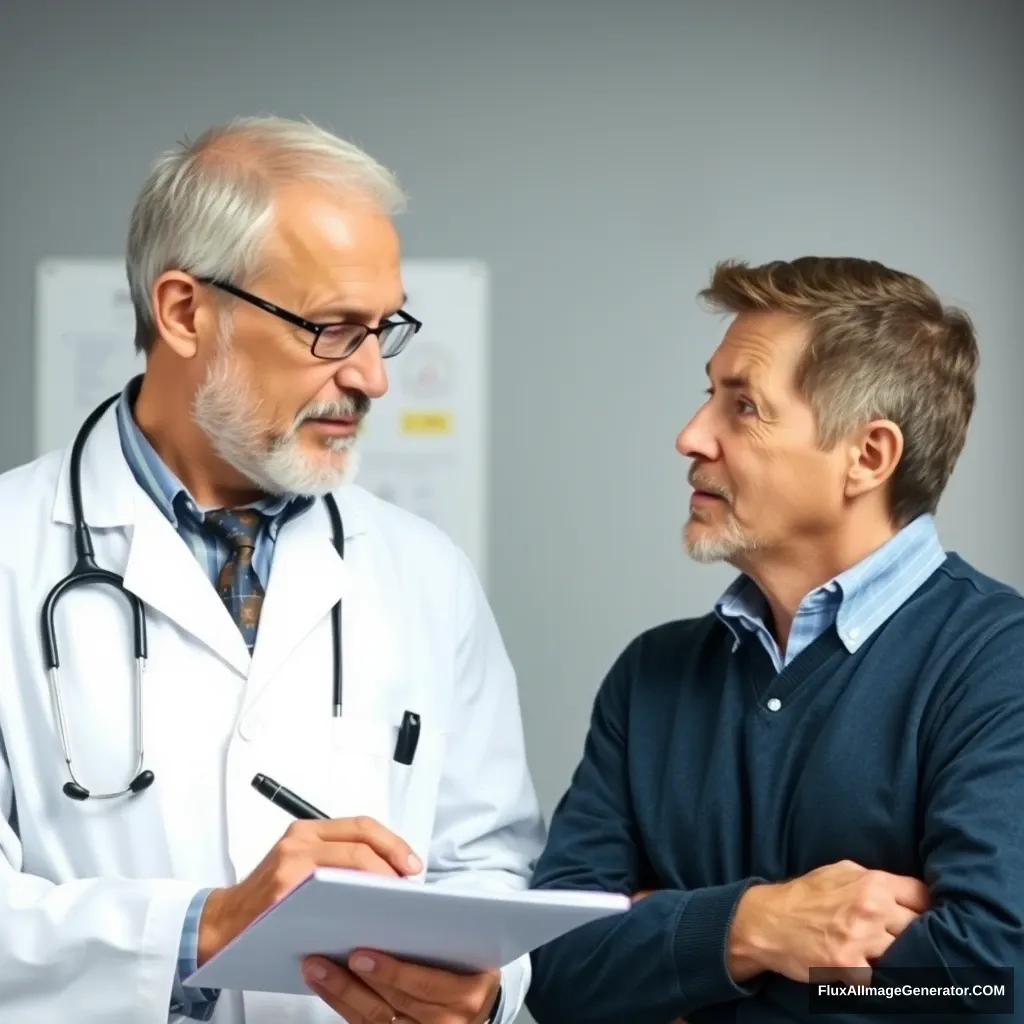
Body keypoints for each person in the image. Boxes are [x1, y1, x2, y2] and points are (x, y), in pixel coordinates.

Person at [0, 116, 546, 1024]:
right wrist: (201, 931)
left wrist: (481, 995)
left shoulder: (423, 575)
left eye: (384, 330)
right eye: (333, 330)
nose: (373, 377)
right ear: (183, 313)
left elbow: (490, 863)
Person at [525, 257, 1024, 1023]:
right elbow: (553, 969)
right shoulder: (652, 675)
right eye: (708, 395)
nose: (691, 436)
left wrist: (680, 957)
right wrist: (755, 928)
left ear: (868, 456)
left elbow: (990, 980)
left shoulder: (1000, 661)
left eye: (744, 407)